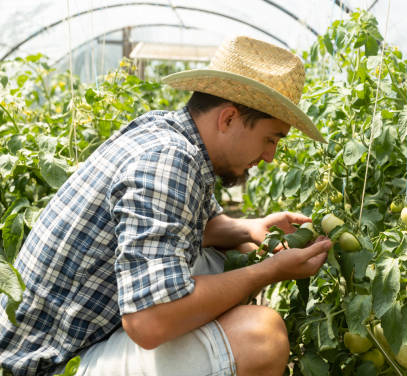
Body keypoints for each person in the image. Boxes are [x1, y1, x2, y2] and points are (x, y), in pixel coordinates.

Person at [0, 35, 331, 376]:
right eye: (270, 139)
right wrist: (269, 272)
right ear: (229, 118)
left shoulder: (167, 134)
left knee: (233, 254)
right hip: (47, 365)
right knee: (262, 338)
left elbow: (182, 226)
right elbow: (149, 321)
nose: (269, 156)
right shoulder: (169, 158)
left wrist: (248, 228)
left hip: (62, 340)